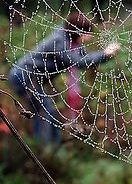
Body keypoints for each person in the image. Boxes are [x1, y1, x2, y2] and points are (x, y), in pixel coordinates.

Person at [9, 11, 120, 144]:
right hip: (24, 77)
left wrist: (103, 56)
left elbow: (83, 57)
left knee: (48, 113)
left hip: (31, 78)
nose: (89, 37)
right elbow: (78, 62)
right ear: (77, 31)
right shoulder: (60, 41)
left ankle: (52, 149)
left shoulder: (70, 39)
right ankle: (43, 151)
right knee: (44, 113)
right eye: (87, 33)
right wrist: (105, 54)